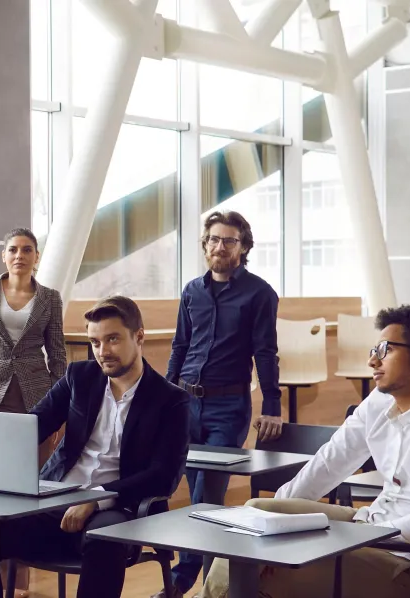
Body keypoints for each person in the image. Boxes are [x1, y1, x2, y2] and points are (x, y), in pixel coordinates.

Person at [202, 305, 410, 598]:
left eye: (384, 350)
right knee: (255, 514)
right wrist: (277, 524)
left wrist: (354, 536)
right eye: (374, 349)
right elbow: (330, 462)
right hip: (370, 529)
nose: (372, 360)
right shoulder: (379, 403)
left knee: (268, 563)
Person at [0, 296, 191, 598]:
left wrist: (96, 499)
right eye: (95, 342)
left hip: (119, 508)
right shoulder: (79, 378)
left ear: (139, 337)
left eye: (113, 340)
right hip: (56, 500)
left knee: (103, 538)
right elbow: (34, 425)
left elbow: (164, 476)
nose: (103, 352)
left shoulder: (170, 400)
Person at [165, 210, 282, 597]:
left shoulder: (260, 294)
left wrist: (272, 405)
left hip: (228, 407)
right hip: (185, 403)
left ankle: (191, 584)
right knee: (192, 493)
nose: (219, 246)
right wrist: (164, 396)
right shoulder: (191, 291)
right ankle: (200, 581)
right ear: (205, 244)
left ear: (243, 247)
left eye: (229, 240)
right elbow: (181, 346)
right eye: (214, 239)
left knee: (206, 497)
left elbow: (265, 352)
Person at [0, 227, 67, 596]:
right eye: (13, 249)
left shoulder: (50, 298)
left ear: (36, 256)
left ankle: (20, 581)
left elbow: (57, 355)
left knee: (28, 487)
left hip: (36, 396)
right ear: (4, 255)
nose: (19, 255)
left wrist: (62, 406)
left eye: (27, 249)